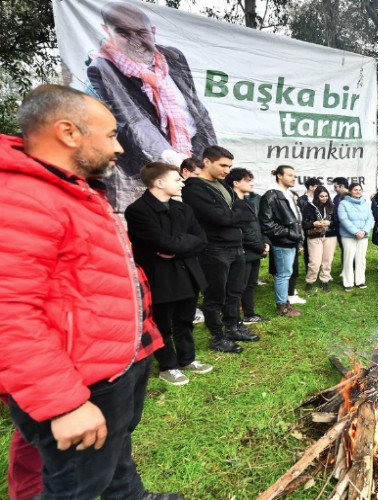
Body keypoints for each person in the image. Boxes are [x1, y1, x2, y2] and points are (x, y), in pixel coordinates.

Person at [0, 84, 181, 499]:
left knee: (115, 451)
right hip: (78, 380)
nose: (120, 148)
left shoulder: (71, 190)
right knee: (78, 485)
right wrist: (62, 403)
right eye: (113, 134)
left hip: (111, 365)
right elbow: (8, 312)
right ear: (68, 132)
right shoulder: (22, 198)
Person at [87, 1, 217, 211]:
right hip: (149, 167)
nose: (135, 41)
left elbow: (196, 109)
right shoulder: (102, 67)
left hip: (192, 157)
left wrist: (210, 159)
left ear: (153, 32)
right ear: (106, 31)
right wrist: (174, 160)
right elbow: (133, 121)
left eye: (141, 32)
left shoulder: (174, 57)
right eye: (123, 33)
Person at [125, 162, 213, 387]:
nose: (182, 182)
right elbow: (162, 242)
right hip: (160, 277)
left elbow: (201, 239)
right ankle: (168, 366)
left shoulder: (183, 208)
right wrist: (177, 245)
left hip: (188, 274)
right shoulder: (138, 211)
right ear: (159, 182)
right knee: (162, 324)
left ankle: (187, 359)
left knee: (185, 320)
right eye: (177, 179)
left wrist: (174, 248)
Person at [183, 145, 256, 353]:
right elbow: (221, 218)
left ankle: (233, 327)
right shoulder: (194, 188)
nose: (227, 170)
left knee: (235, 291)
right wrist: (235, 216)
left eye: (230, 166)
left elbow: (246, 210)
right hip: (214, 249)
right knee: (215, 295)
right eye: (223, 165)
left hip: (235, 246)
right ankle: (217, 336)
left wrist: (234, 216)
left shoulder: (223, 185)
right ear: (207, 161)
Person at [225, 168, 270, 324]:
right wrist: (260, 246)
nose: (251, 183)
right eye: (248, 180)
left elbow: (256, 226)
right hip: (244, 252)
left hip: (255, 250)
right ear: (236, 183)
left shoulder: (247, 202)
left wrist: (265, 242)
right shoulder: (233, 204)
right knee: (238, 287)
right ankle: (234, 320)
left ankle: (249, 314)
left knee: (250, 285)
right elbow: (244, 230)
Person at [260, 165, 304, 316]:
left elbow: (295, 220)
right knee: (283, 274)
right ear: (279, 176)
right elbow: (266, 223)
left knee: (287, 273)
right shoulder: (271, 195)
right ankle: (281, 307)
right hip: (282, 242)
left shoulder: (288, 194)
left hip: (290, 241)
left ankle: (285, 303)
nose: (294, 178)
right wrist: (289, 234)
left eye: (294, 175)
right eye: (290, 175)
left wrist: (298, 240)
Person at [337, 183, 375, 290]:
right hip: (349, 237)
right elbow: (344, 219)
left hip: (363, 236)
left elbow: (370, 218)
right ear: (350, 191)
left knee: (361, 258)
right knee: (348, 259)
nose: (358, 191)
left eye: (360, 189)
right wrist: (355, 232)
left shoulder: (365, 203)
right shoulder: (343, 203)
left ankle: (360, 281)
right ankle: (348, 283)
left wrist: (364, 231)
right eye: (355, 190)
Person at [302, 186, 338, 292]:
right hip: (315, 236)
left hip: (330, 236)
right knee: (315, 262)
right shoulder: (309, 207)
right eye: (322, 196)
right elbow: (303, 223)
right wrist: (313, 223)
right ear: (316, 196)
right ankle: (310, 281)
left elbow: (338, 221)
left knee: (327, 260)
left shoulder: (332, 207)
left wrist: (330, 223)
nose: (324, 198)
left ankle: (324, 280)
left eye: (326, 196)